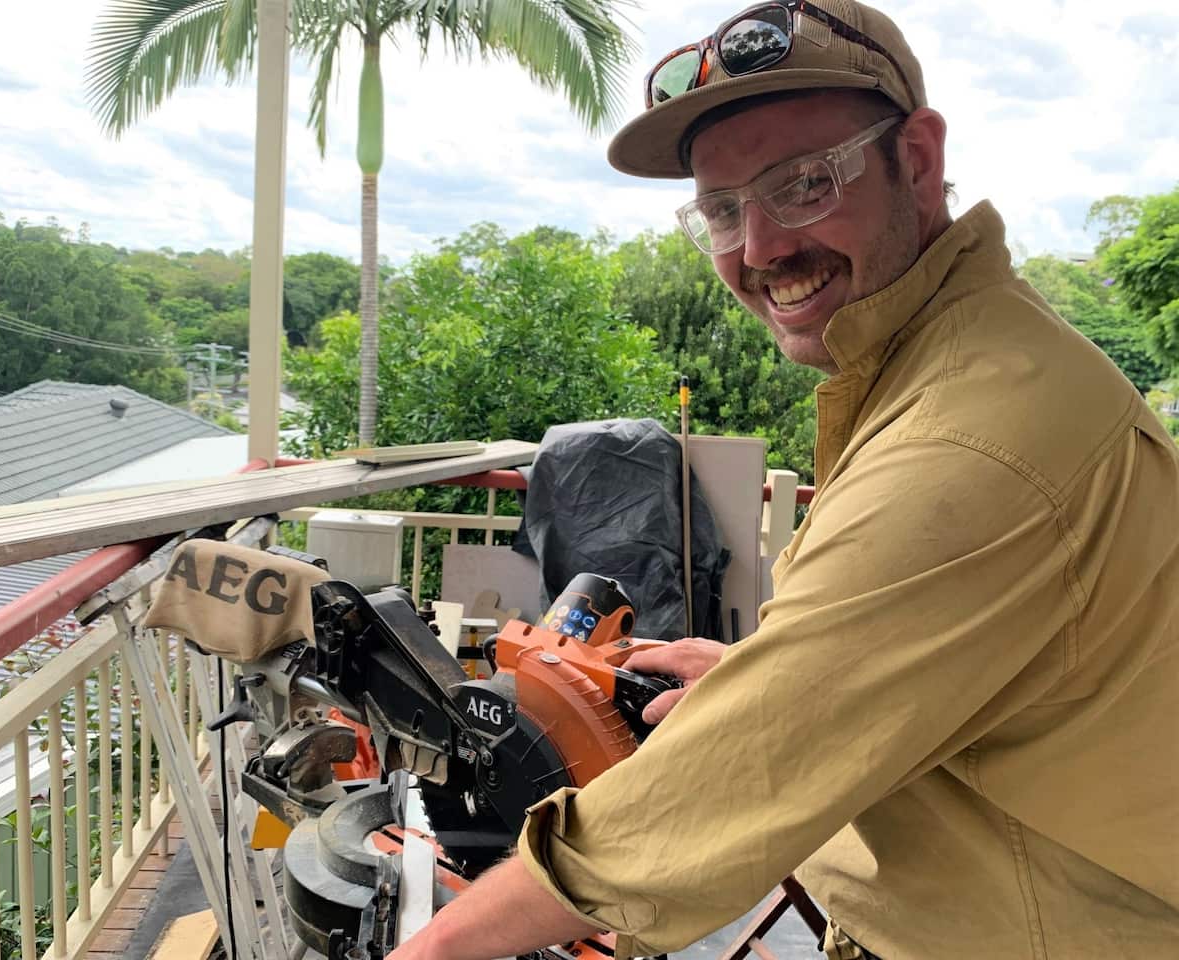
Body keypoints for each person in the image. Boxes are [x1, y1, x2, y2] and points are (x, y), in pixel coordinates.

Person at [390, 2, 1179, 957]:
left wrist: (431, 946)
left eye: (803, 184)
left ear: (917, 162)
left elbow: (705, 802)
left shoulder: (968, 443)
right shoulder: (961, 359)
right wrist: (771, 676)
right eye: (722, 209)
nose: (758, 249)